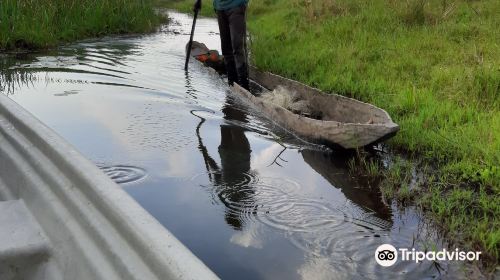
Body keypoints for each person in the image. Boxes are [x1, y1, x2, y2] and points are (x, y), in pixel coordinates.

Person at [194, 0, 250, 90]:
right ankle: (232, 83)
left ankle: (244, 84)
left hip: (236, 5)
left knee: (237, 46)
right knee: (226, 48)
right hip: (220, 6)